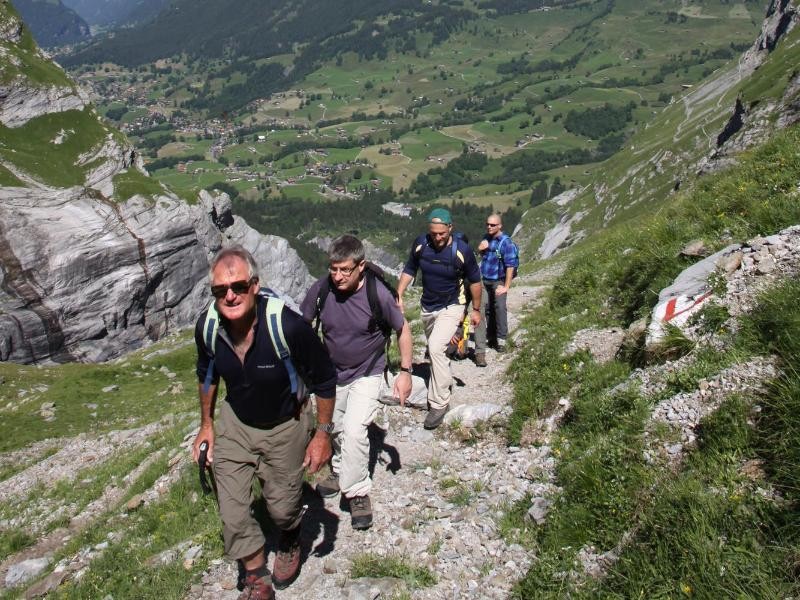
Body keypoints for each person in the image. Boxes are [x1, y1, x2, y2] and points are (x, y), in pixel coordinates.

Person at [191, 246, 337, 600]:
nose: (229, 295)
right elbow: (207, 376)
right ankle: (256, 578)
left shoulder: (287, 326)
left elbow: (325, 379)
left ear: (254, 285)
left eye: (239, 286)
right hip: (236, 422)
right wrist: (206, 425)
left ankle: (289, 534)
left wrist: (322, 434)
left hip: (286, 423)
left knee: (282, 507)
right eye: (219, 290)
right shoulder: (208, 328)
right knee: (232, 509)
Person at [300, 235, 413, 530]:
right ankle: (339, 469)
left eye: (344, 270)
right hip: (332, 374)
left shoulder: (378, 295)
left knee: (353, 431)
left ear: (361, 266)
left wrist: (405, 372)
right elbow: (302, 326)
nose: (337, 276)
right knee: (333, 426)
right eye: (333, 269)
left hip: (368, 371)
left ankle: (358, 491)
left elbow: (402, 329)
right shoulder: (322, 289)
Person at [397, 208, 482, 429]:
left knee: (435, 347)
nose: (437, 237)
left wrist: (476, 309)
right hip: (428, 306)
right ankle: (443, 377)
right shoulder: (420, 244)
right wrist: (399, 293)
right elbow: (410, 268)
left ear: (450, 228)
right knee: (437, 350)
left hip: (452, 305)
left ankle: (439, 403)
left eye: (442, 233)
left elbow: (475, 281)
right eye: (433, 233)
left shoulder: (461, 250)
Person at [474, 214, 519, 366]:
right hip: (485, 279)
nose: (489, 227)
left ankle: (502, 339)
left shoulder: (506, 243)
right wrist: (480, 249)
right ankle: (491, 336)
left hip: (498, 280)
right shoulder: (486, 238)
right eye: (488, 224)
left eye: (493, 225)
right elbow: (483, 257)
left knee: (499, 307)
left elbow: (510, 265)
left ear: (500, 226)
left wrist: (506, 286)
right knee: (486, 308)